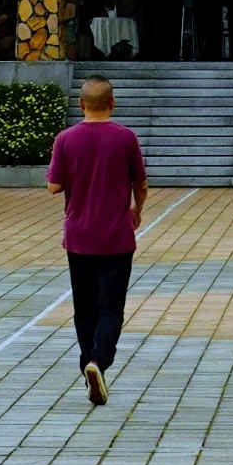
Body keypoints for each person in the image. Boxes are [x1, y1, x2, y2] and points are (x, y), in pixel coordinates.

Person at [45, 73, 149, 404]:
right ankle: (98, 361)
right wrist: (137, 208)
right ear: (112, 104)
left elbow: (53, 186)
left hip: (78, 237)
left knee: (84, 308)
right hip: (116, 237)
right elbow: (141, 184)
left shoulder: (65, 139)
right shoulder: (126, 138)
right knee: (111, 308)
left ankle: (86, 362)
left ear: (81, 104)